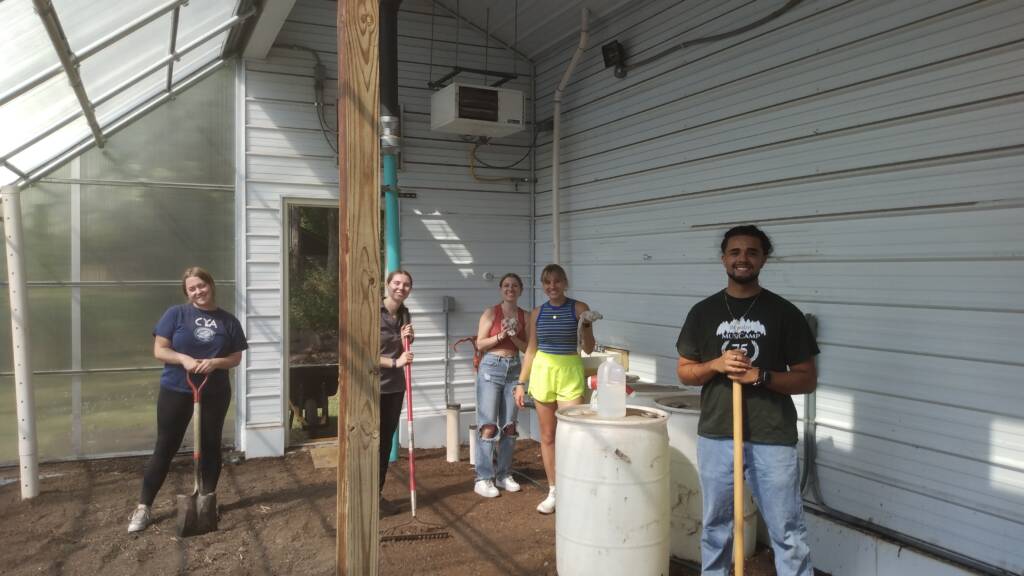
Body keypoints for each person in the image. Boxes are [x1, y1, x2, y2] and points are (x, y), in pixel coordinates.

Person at [675, 225, 818, 576]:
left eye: (751, 252)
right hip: (717, 433)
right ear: (724, 258)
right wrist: (715, 364)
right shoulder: (703, 313)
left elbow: (807, 378)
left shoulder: (784, 313)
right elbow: (685, 372)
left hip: (773, 436)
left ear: (763, 259)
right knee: (715, 527)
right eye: (735, 252)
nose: (743, 259)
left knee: (788, 532)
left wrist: (761, 376)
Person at [128, 267, 248, 533]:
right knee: (166, 446)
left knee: (210, 445)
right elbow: (160, 349)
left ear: (210, 285)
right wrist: (183, 359)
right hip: (177, 389)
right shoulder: (176, 314)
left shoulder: (228, 321)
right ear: (187, 293)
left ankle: (207, 499)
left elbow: (236, 358)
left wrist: (216, 362)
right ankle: (143, 507)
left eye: (201, 285)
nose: (198, 291)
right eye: (192, 288)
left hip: (214, 391)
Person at [515, 264, 595, 514]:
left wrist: (587, 325)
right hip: (543, 373)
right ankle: (554, 490)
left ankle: (575, 487)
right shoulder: (537, 313)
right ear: (542, 285)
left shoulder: (579, 308)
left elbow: (589, 348)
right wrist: (520, 382)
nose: (552, 287)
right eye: (547, 282)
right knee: (548, 436)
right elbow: (530, 349)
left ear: (565, 283)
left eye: (557, 282)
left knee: (573, 434)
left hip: (570, 371)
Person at [472, 273, 529, 498]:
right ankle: (483, 478)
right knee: (488, 425)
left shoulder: (525, 316)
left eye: (515, 286)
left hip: (514, 368)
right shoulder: (491, 313)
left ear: (521, 290)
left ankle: (504, 474)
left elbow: (527, 347)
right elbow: (480, 343)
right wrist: (502, 334)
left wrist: (514, 337)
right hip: (491, 367)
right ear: (500, 289)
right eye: (506, 285)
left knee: (509, 426)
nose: (510, 289)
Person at [378, 269, 415, 515]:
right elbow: (362, 352)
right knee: (370, 442)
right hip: (373, 386)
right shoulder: (373, 312)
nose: (401, 287)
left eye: (406, 284)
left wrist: (409, 338)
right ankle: (362, 493)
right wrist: (394, 363)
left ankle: (376, 494)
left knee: (384, 442)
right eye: (397, 283)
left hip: (395, 388)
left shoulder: (404, 313)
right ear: (387, 284)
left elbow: (404, 346)